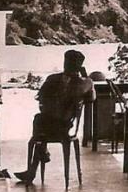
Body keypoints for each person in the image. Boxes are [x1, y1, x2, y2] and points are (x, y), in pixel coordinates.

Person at [15, 50, 95, 184]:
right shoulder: (85, 83)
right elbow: (91, 98)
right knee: (40, 123)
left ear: (65, 63)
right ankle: (39, 158)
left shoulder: (54, 78)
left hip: (59, 125)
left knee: (39, 122)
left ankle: (37, 162)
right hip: (65, 125)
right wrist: (85, 75)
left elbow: (40, 98)